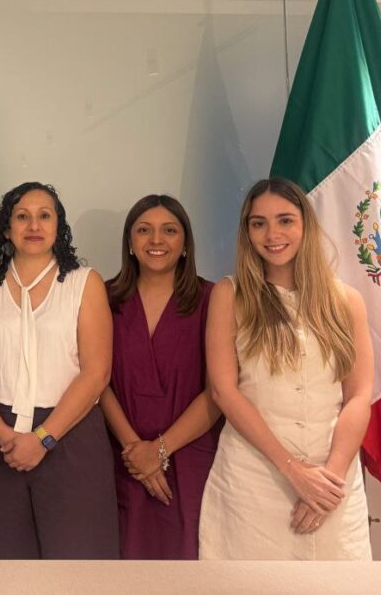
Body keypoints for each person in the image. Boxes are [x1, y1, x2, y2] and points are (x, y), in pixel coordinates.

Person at [199, 177, 374, 559]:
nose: (272, 234)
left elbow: (359, 396)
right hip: (253, 480)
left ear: (305, 224)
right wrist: (293, 471)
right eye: (258, 223)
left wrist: (330, 481)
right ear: (247, 232)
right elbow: (224, 391)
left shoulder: (346, 301)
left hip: (333, 482)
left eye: (285, 220)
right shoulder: (230, 295)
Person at [0, 182, 118, 559]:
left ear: (58, 226)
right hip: (0, 439)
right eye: (22, 216)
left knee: (77, 561)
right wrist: (3, 434)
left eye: (44, 216)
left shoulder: (84, 282)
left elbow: (97, 373)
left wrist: (43, 439)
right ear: (7, 229)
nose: (34, 225)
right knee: (7, 563)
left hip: (70, 433)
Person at [100, 194, 221, 559]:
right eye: (144, 230)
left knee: (189, 565)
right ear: (129, 242)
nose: (156, 240)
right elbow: (97, 382)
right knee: (123, 566)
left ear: (185, 243)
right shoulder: (104, 298)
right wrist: (137, 452)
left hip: (191, 458)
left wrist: (160, 450)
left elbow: (219, 391)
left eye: (169, 230)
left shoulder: (213, 299)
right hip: (124, 458)